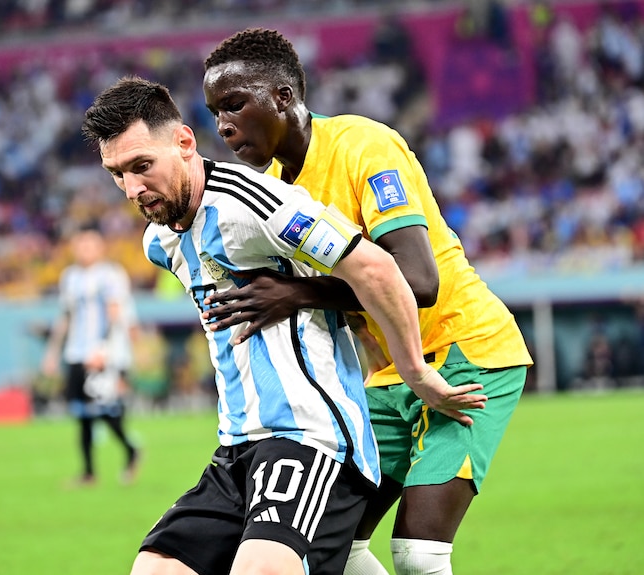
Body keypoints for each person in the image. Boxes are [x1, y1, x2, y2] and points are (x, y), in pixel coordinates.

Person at [81, 76, 484, 575]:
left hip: (311, 439)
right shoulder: (159, 242)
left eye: (143, 166)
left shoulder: (253, 202)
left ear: (184, 143)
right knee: (156, 567)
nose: (133, 188)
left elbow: (377, 269)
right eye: (117, 173)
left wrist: (415, 371)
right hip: (236, 449)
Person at [201, 28, 533, 575]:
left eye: (235, 104)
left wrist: (299, 293)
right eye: (215, 111)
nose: (224, 125)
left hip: (467, 353)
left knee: (419, 554)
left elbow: (417, 282)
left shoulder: (363, 146)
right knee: (332, 543)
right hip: (386, 378)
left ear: (283, 96)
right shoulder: (277, 187)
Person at [41, 223, 140, 486]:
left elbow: (114, 312)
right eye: (80, 244)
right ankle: (88, 473)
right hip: (76, 352)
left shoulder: (110, 275)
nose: (84, 250)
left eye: (90, 244)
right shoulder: (69, 277)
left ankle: (131, 449)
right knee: (81, 413)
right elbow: (65, 317)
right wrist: (52, 353)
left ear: (100, 247)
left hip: (101, 355)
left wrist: (103, 349)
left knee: (105, 409)